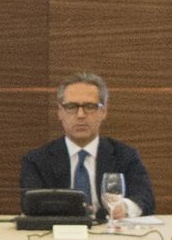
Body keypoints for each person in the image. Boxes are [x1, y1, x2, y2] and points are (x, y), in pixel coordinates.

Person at [17, 70, 156, 219]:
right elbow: (31, 204)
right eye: (71, 107)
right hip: (57, 232)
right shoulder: (36, 161)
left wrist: (125, 207)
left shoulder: (125, 156)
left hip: (109, 231)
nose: (81, 115)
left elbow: (145, 199)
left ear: (103, 112)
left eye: (90, 106)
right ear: (60, 112)